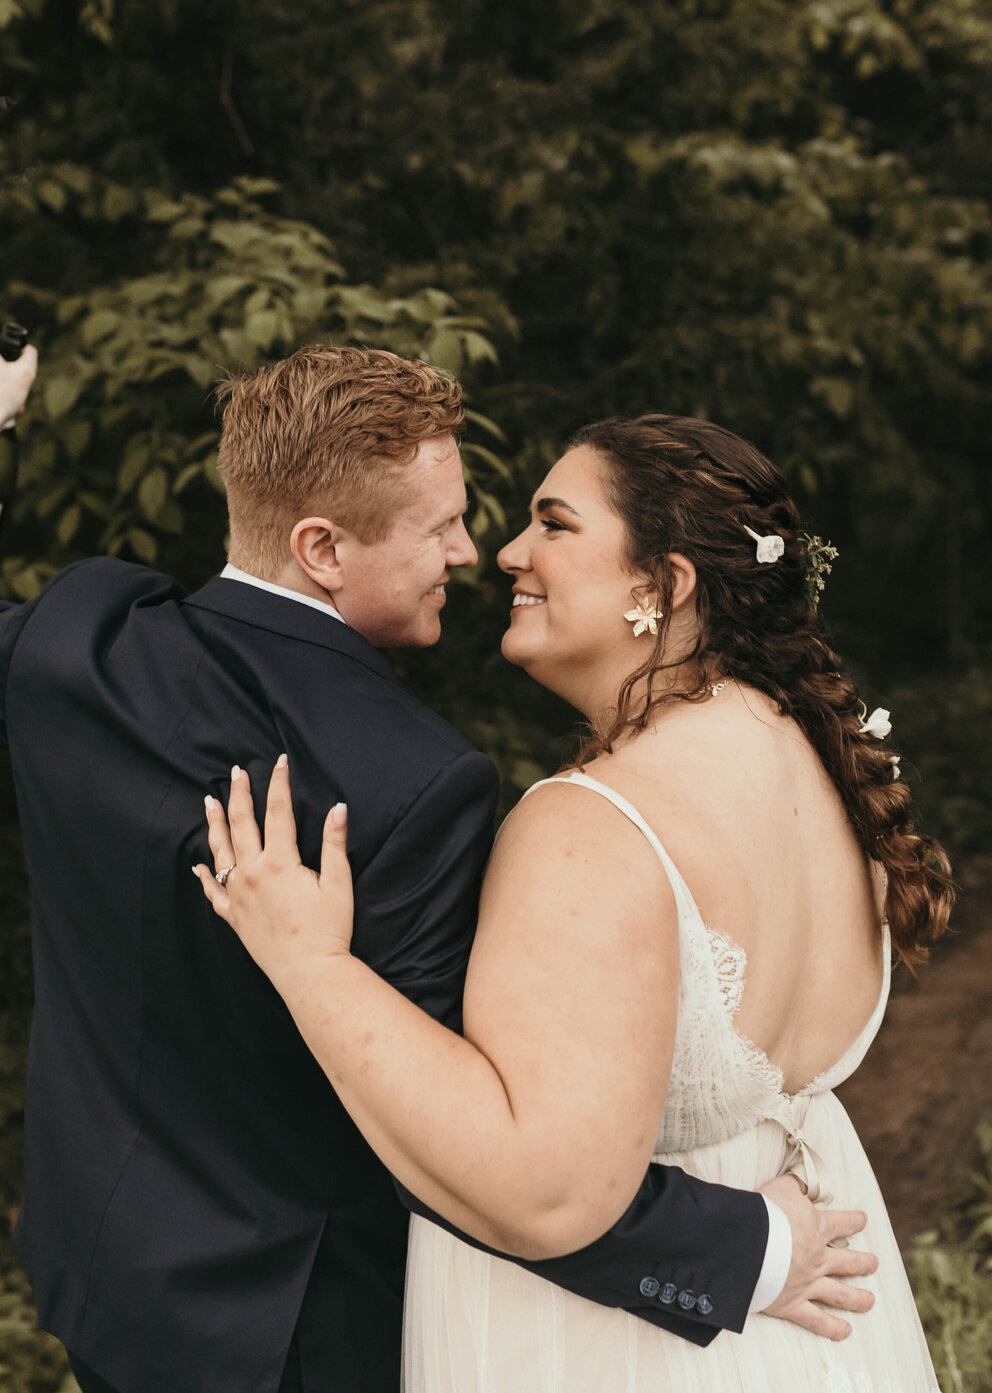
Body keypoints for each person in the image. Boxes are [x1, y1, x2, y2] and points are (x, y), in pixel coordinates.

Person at [0, 341, 870, 1393]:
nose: (471, 554)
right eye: (440, 528)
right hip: (306, 1335)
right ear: (324, 549)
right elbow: (466, 1149)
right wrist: (745, 1251)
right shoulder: (417, 784)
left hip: (108, 1286)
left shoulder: (79, 644)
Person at [197, 414, 952, 1391]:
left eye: (554, 523)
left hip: (613, 1351)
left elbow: (542, 1193)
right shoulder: (820, 762)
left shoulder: (590, 825)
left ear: (663, 583)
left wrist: (312, 966)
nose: (507, 552)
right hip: (802, 1331)